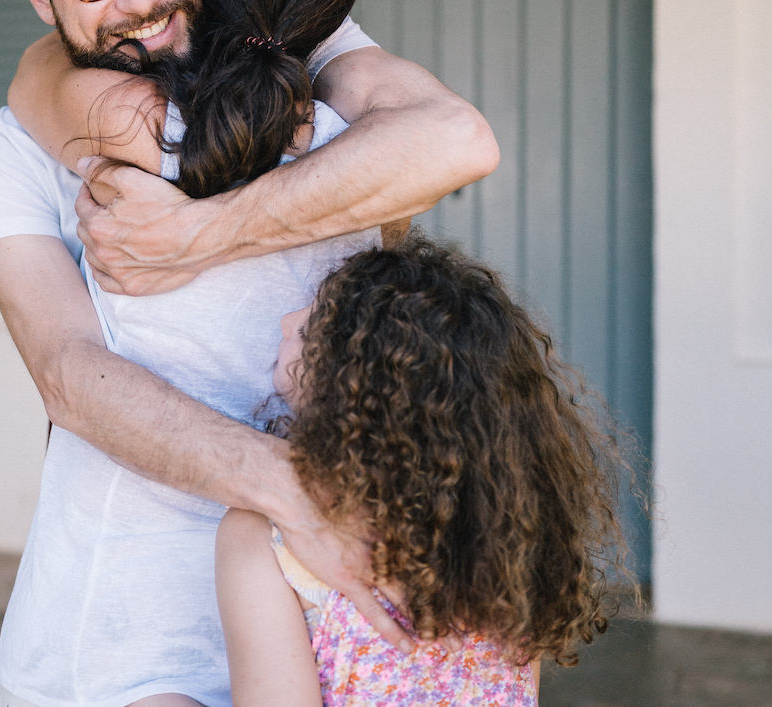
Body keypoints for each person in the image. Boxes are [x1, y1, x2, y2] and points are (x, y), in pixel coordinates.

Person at [0, 0, 499, 705]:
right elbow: (69, 374)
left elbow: (458, 139)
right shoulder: (14, 151)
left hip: (335, 625)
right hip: (125, 639)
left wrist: (202, 232)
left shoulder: (310, 59)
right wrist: (298, 497)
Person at [216, 239, 628, 706]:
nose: (288, 321)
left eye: (315, 325)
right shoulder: (508, 537)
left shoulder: (263, 540)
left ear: (361, 390)